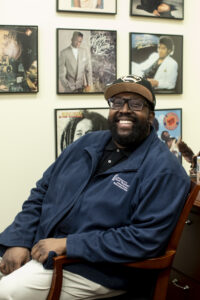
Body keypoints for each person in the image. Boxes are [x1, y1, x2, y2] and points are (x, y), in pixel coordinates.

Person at [0, 75, 190, 299]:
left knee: (6, 292)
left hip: (96, 268)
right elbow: (41, 193)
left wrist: (70, 244)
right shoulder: (86, 143)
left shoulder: (164, 170)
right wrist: (18, 240)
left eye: (136, 104)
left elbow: (144, 239)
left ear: (150, 115)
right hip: (43, 247)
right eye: (117, 103)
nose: (124, 110)